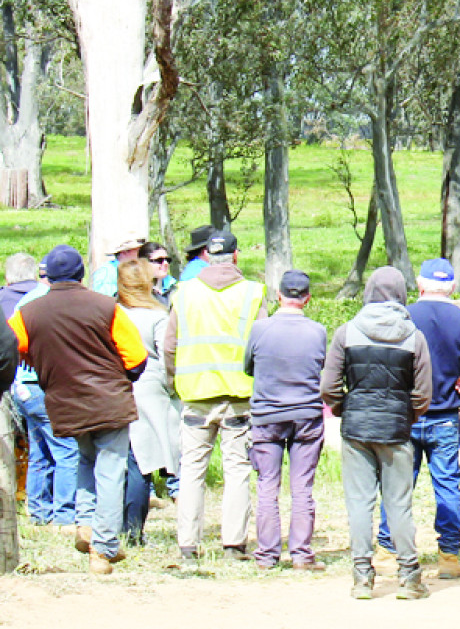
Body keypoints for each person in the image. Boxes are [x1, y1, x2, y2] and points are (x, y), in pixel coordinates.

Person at [7, 244, 147, 574]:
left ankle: (84, 524)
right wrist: (115, 378)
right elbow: (137, 359)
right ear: (81, 274)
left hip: (65, 402)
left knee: (85, 459)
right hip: (108, 401)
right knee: (111, 470)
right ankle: (105, 546)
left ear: (48, 276)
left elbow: (9, 350)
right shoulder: (106, 307)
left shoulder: (27, 314)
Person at [378, 258, 460, 578]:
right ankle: (449, 555)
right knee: (447, 485)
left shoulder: (404, 316)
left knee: (397, 485)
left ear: (420, 285)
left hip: (407, 413)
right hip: (446, 416)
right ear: (452, 288)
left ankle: (387, 548)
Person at [323, 266, 432, 599]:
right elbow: (424, 392)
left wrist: (345, 408)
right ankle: (410, 577)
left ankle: (361, 577)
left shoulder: (346, 332)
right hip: (396, 430)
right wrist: (407, 414)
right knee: (398, 504)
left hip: (356, 429)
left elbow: (328, 386)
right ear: (402, 293)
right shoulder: (414, 336)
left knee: (359, 503)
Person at [164, 229, 266, 562]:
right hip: (239, 395)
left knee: (192, 469)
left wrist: (173, 379)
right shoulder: (252, 293)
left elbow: (169, 345)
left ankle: (188, 545)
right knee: (237, 468)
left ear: (206, 256)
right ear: (236, 256)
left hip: (195, 394)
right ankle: (233, 544)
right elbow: (262, 345)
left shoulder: (184, 292)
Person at [244, 270, 328, 571]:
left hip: (267, 415)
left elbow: (248, 366)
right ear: (306, 298)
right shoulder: (318, 331)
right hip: (306, 414)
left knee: (267, 484)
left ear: (278, 295)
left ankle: (267, 555)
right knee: (302, 486)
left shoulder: (259, 329)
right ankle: (302, 554)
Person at [3, 254, 78, 529]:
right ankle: (65, 514)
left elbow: (12, 341)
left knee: (40, 450)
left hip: (22, 386)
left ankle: (38, 510)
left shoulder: (28, 301)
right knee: (67, 449)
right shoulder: (52, 301)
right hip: (42, 384)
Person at [117, 260, 180, 546]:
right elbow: (166, 354)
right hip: (148, 388)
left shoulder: (110, 313)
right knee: (143, 463)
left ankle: (117, 526)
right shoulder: (157, 315)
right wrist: (173, 388)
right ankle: (133, 531)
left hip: (114, 387)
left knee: (121, 459)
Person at [138, 241, 177, 307]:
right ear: (144, 263)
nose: (165, 263)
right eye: (159, 260)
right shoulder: (136, 293)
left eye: (167, 260)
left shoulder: (175, 288)